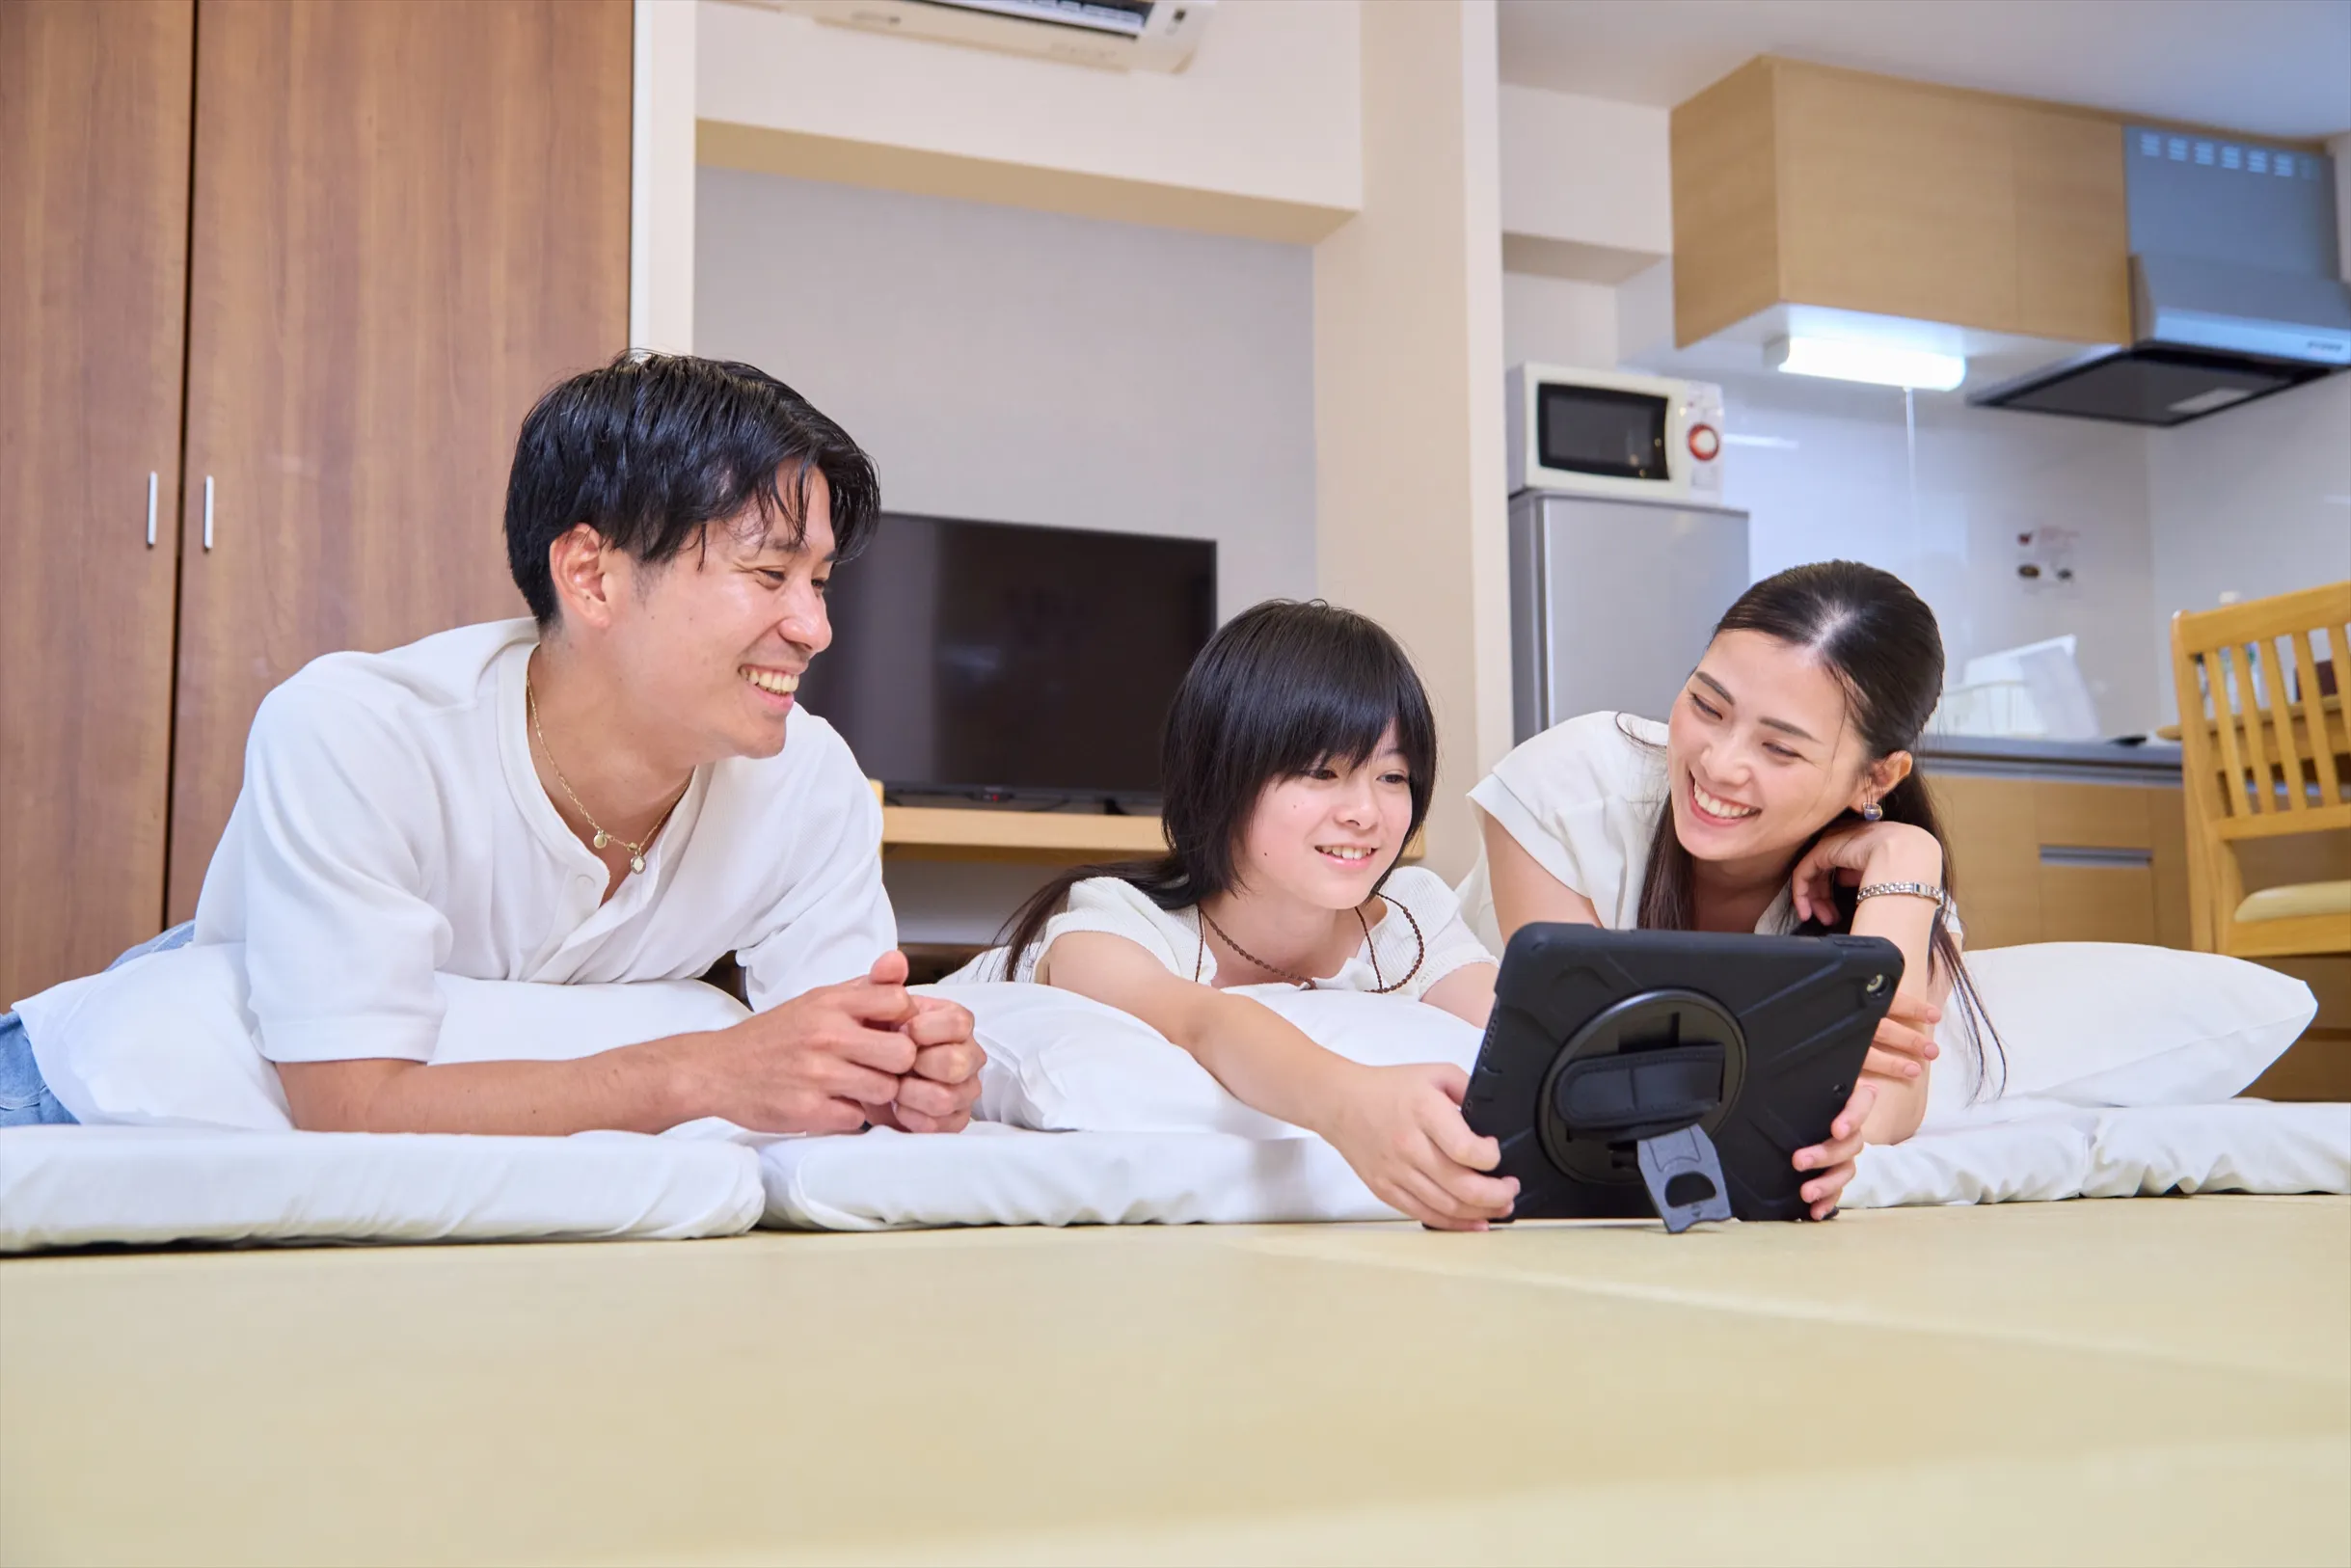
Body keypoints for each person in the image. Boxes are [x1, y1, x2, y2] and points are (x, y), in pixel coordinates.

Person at [1, 353, 982, 1138]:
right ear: (590, 575)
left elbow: (837, 1054)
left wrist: (909, 1078)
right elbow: (350, 1106)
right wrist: (702, 1072)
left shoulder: (808, 781)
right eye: (769, 574)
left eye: (820, 582)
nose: (814, 629)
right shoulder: (360, 732)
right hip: (62, 1095)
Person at [1459, 560, 2001, 1211]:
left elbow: (1887, 1105)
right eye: (1707, 706)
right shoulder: (1570, 787)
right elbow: (1589, 1076)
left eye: (1780, 749)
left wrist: (1909, 854)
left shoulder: (1895, 884)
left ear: (1876, 779)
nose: (1718, 764)